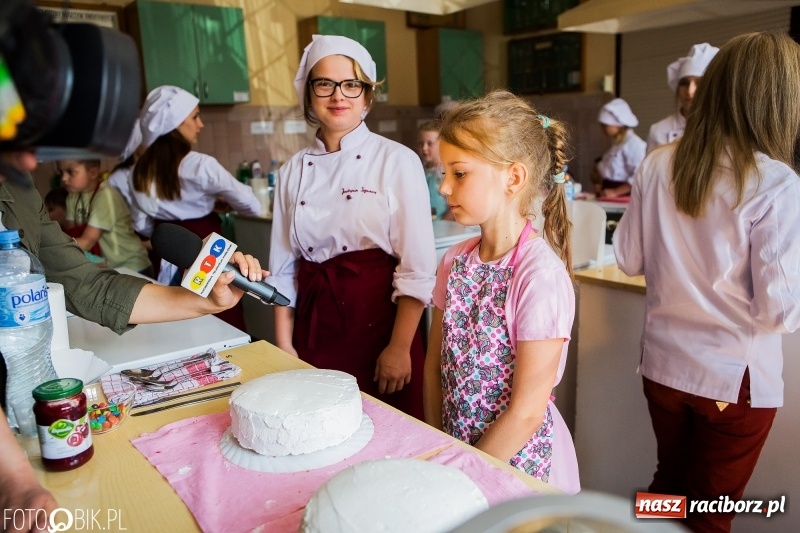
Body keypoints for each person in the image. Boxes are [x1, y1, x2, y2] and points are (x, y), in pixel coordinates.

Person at [0, 148, 266, 532]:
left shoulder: (19, 193)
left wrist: (203, 301)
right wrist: (13, 477)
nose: (32, 163)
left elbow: (88, 286)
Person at [613, 32, 800, 533]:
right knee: (712, 510)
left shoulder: (657, 163)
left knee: (672, 486)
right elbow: (780, 312)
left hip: (665, 369)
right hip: (729, 382)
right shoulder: (776, 183)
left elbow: (628, 259)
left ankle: (636, 528)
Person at [268, 35, 436, 419]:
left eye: (351, 84)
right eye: (324, 84)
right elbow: (282, 268)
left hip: (381, 328)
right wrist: (283, 344)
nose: (338, 95)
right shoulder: (292, 170)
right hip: (315, 327)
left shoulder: (397, 160)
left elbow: (417, 268)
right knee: (319, 428)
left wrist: (399, 347)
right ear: (309, 95)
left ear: (367, 96)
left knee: (389, 434)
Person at [423, 90, 580, 495]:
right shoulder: (453, 263)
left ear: (513, 177)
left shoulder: (538, 276)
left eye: (459, 173)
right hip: (456, 452)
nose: (443, 187)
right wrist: (438, 444)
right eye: (444, 173)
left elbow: (526, 413)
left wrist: (463, 473)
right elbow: (433, 367)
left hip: (514, 468)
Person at [129, 85, 261, 329]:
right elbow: (251, 204)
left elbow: (141, 225)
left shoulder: (139, 171)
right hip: (209, 252)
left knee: (175, 318)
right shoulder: (201, 165)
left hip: (168, 255)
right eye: (195, 117)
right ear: (175, 125)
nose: (200, 124)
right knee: (219, 319)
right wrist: (218, 203)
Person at [56, 158, 152, 275]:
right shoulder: (72, 197)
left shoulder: (105, 196)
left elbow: (86, 242)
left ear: (93, 173)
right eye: (61, 172)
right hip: (109, 267)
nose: (64, 178)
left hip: (131, 265)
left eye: (71, 172)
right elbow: (73, 234)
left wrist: (53, 246)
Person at [646, 43, 719, 153]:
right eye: (684, 83)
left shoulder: (723, 129)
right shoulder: (658, 130)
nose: (690, 91)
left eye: (699, 83)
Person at [591, 98, 646, 198]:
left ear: (618, 124)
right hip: (610, 195)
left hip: (625, 197)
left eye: (605, 125)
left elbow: (640, 174)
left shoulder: (634, 144)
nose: (603, 129)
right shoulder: (617, 145)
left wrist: (616, 191)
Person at [417, 120, 451, 220]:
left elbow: (459, 205)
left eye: (430, 143)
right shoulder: (419, 170)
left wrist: (443, 223)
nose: (424, 148)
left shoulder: (447, 173)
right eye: (420, 143)